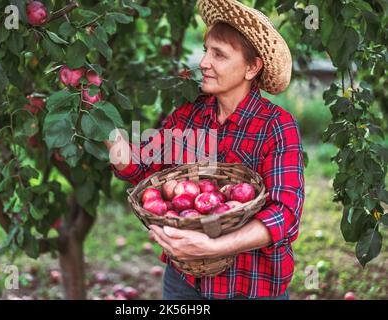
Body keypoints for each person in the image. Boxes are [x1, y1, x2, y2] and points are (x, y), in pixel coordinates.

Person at [104, 0, 305, 300]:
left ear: (252, 67)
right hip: (186, 283)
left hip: (251, 287)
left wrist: (214, 248)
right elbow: (140, 166)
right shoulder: (190, 115)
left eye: (219, 55)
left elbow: (284, 214)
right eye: (206, 50)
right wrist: (99, 117)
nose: (203, 63)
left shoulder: (276, 126)